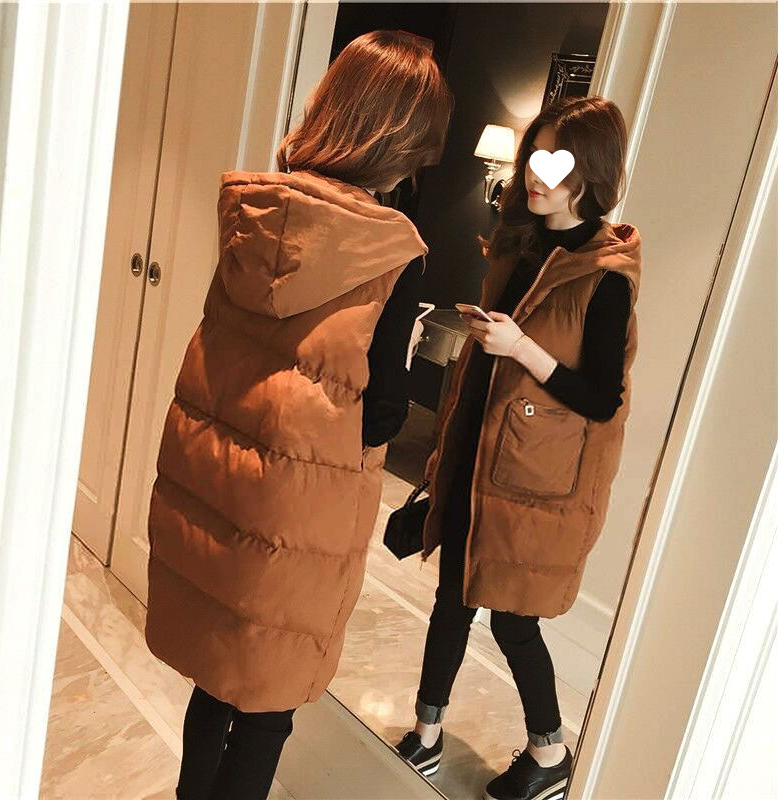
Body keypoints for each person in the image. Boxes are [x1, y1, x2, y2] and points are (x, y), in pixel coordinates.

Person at [143, 30, 453, 800]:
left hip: (221, 474)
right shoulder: (392, 252)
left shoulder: (256, 210)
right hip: (297, 511)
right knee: (267, 705)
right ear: (399, 140)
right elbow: (382, 415)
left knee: (217, 675)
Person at [395, 96, 642, 800]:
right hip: (477, 455)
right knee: (450, 601)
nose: (538, 174)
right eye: (536, 155)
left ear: (592, 172)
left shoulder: (605, 275)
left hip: (532, 482)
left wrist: (521, 348)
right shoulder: (518, 246)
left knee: (513, 620)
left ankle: (550, 751)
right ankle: (427, 732)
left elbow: (602, 398)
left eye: (558, 161)